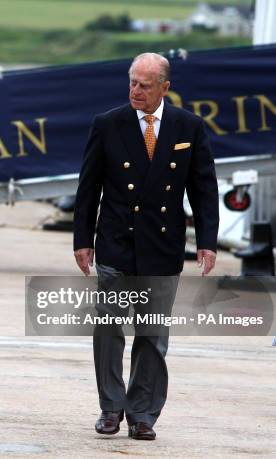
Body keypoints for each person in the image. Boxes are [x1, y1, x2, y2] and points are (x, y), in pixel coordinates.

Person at [73, 53, 219, 440]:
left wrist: (206, 241)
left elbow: (204, 188)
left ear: (165, 88)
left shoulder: (189, 126)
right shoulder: (108, 124)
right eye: (132, 82)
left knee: (152, 335)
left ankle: (143, 414)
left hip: (162, 246)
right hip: (116, 243)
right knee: (108, 330)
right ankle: (110, 407)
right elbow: (88, 188)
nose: (135, 91)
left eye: (145, 85)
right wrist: (82, 241)